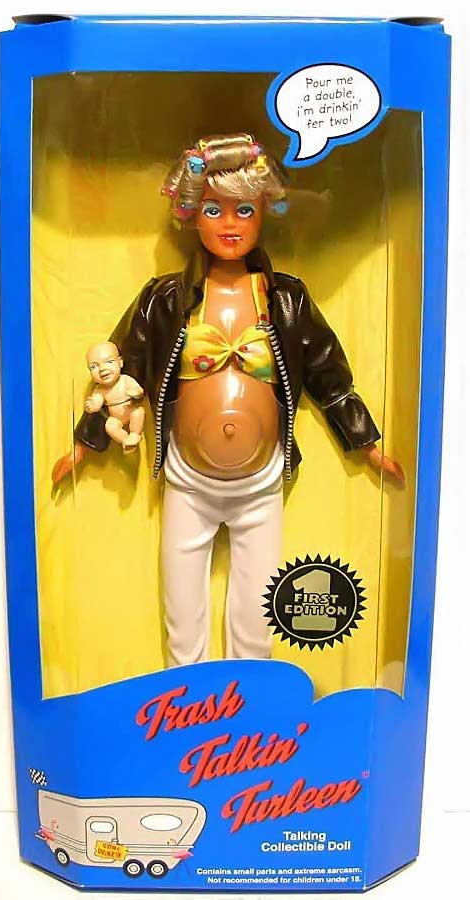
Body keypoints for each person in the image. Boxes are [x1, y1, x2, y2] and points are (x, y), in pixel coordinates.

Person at [52, 132, 403, 667]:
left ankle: (250, 697)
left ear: (264, 212)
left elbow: (328, 374)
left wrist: (366, 442)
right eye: (214, 210)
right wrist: (85, 443)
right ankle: (186, 695)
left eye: (244, 209)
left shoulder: (286, 298)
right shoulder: (166, 299)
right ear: (192, 214)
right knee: (181, 605)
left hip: (261, 483)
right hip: (187, 481)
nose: (230, 223)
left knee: (257, 610)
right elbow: (124, 369)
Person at [84, 341, 145, 452]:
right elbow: (97, 401)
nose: (102, 369)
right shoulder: (100, 389)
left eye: (109, 362)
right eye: (94, 366)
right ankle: (126, 441)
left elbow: (139, 390)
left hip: (131, 409)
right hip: (116, 418)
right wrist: (93, 405)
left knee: (138, 412)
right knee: (110, 425)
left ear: (120, 362)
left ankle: (134, 434)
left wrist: (136, 392)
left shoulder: (125, 380)